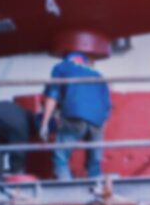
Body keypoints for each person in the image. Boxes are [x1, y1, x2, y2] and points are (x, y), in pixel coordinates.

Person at [40, 50, 111, 180]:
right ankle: (97, 189)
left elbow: (52, 96)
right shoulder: (98, 74)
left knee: (60, 157)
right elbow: (107, 105)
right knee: (94, 161)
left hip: (75, 115)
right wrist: (100, 128)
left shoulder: (61, 67)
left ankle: (67, 191)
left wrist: (44, 123)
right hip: (98, 120)